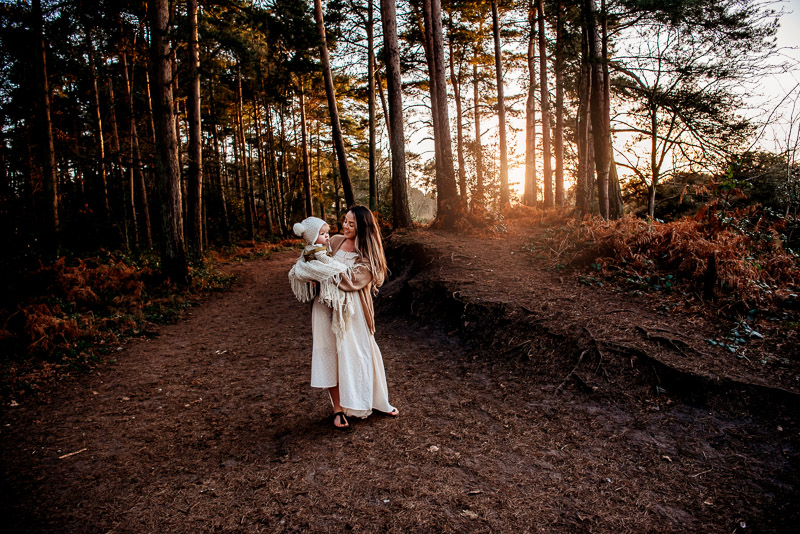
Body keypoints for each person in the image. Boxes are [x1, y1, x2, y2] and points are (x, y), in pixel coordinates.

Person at [311, 206, 399, 429]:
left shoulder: (369, 254)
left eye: (351, 224)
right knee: (330, 355)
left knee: (360, 354)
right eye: (344, 221)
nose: (345, 226)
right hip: (324, 308)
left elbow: (350, 280)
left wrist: (322, 271)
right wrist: (309, 271)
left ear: (363, 227)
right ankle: (338, 408)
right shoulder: (335, 242)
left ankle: (376, 400)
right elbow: (312, 256)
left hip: (353, 313)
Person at [288, 217, 354, 347]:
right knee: (330, 278)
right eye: (322, 234)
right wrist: (340, 267)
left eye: (327, 233)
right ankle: (333, 310)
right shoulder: (317, 250)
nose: (327, 237)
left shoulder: (311, 247)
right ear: (312, 237)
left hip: (316, 270)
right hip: (318, 269)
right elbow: (326, 262)